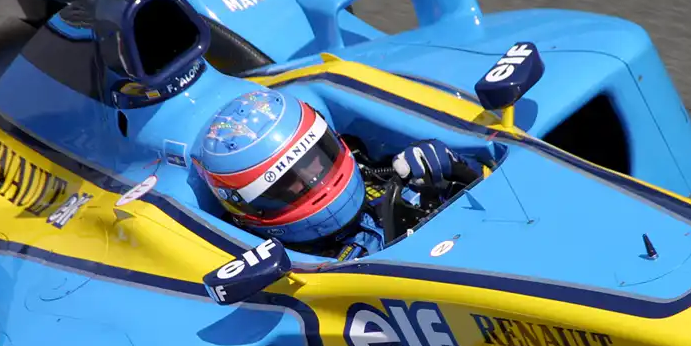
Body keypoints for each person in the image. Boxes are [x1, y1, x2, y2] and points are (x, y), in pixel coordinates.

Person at [192, 89, 477, 260]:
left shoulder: (381, 172)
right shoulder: (287, 268)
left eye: (316, 160)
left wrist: (456, 167)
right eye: (289, 184)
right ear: (249, 209)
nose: (313, 180)